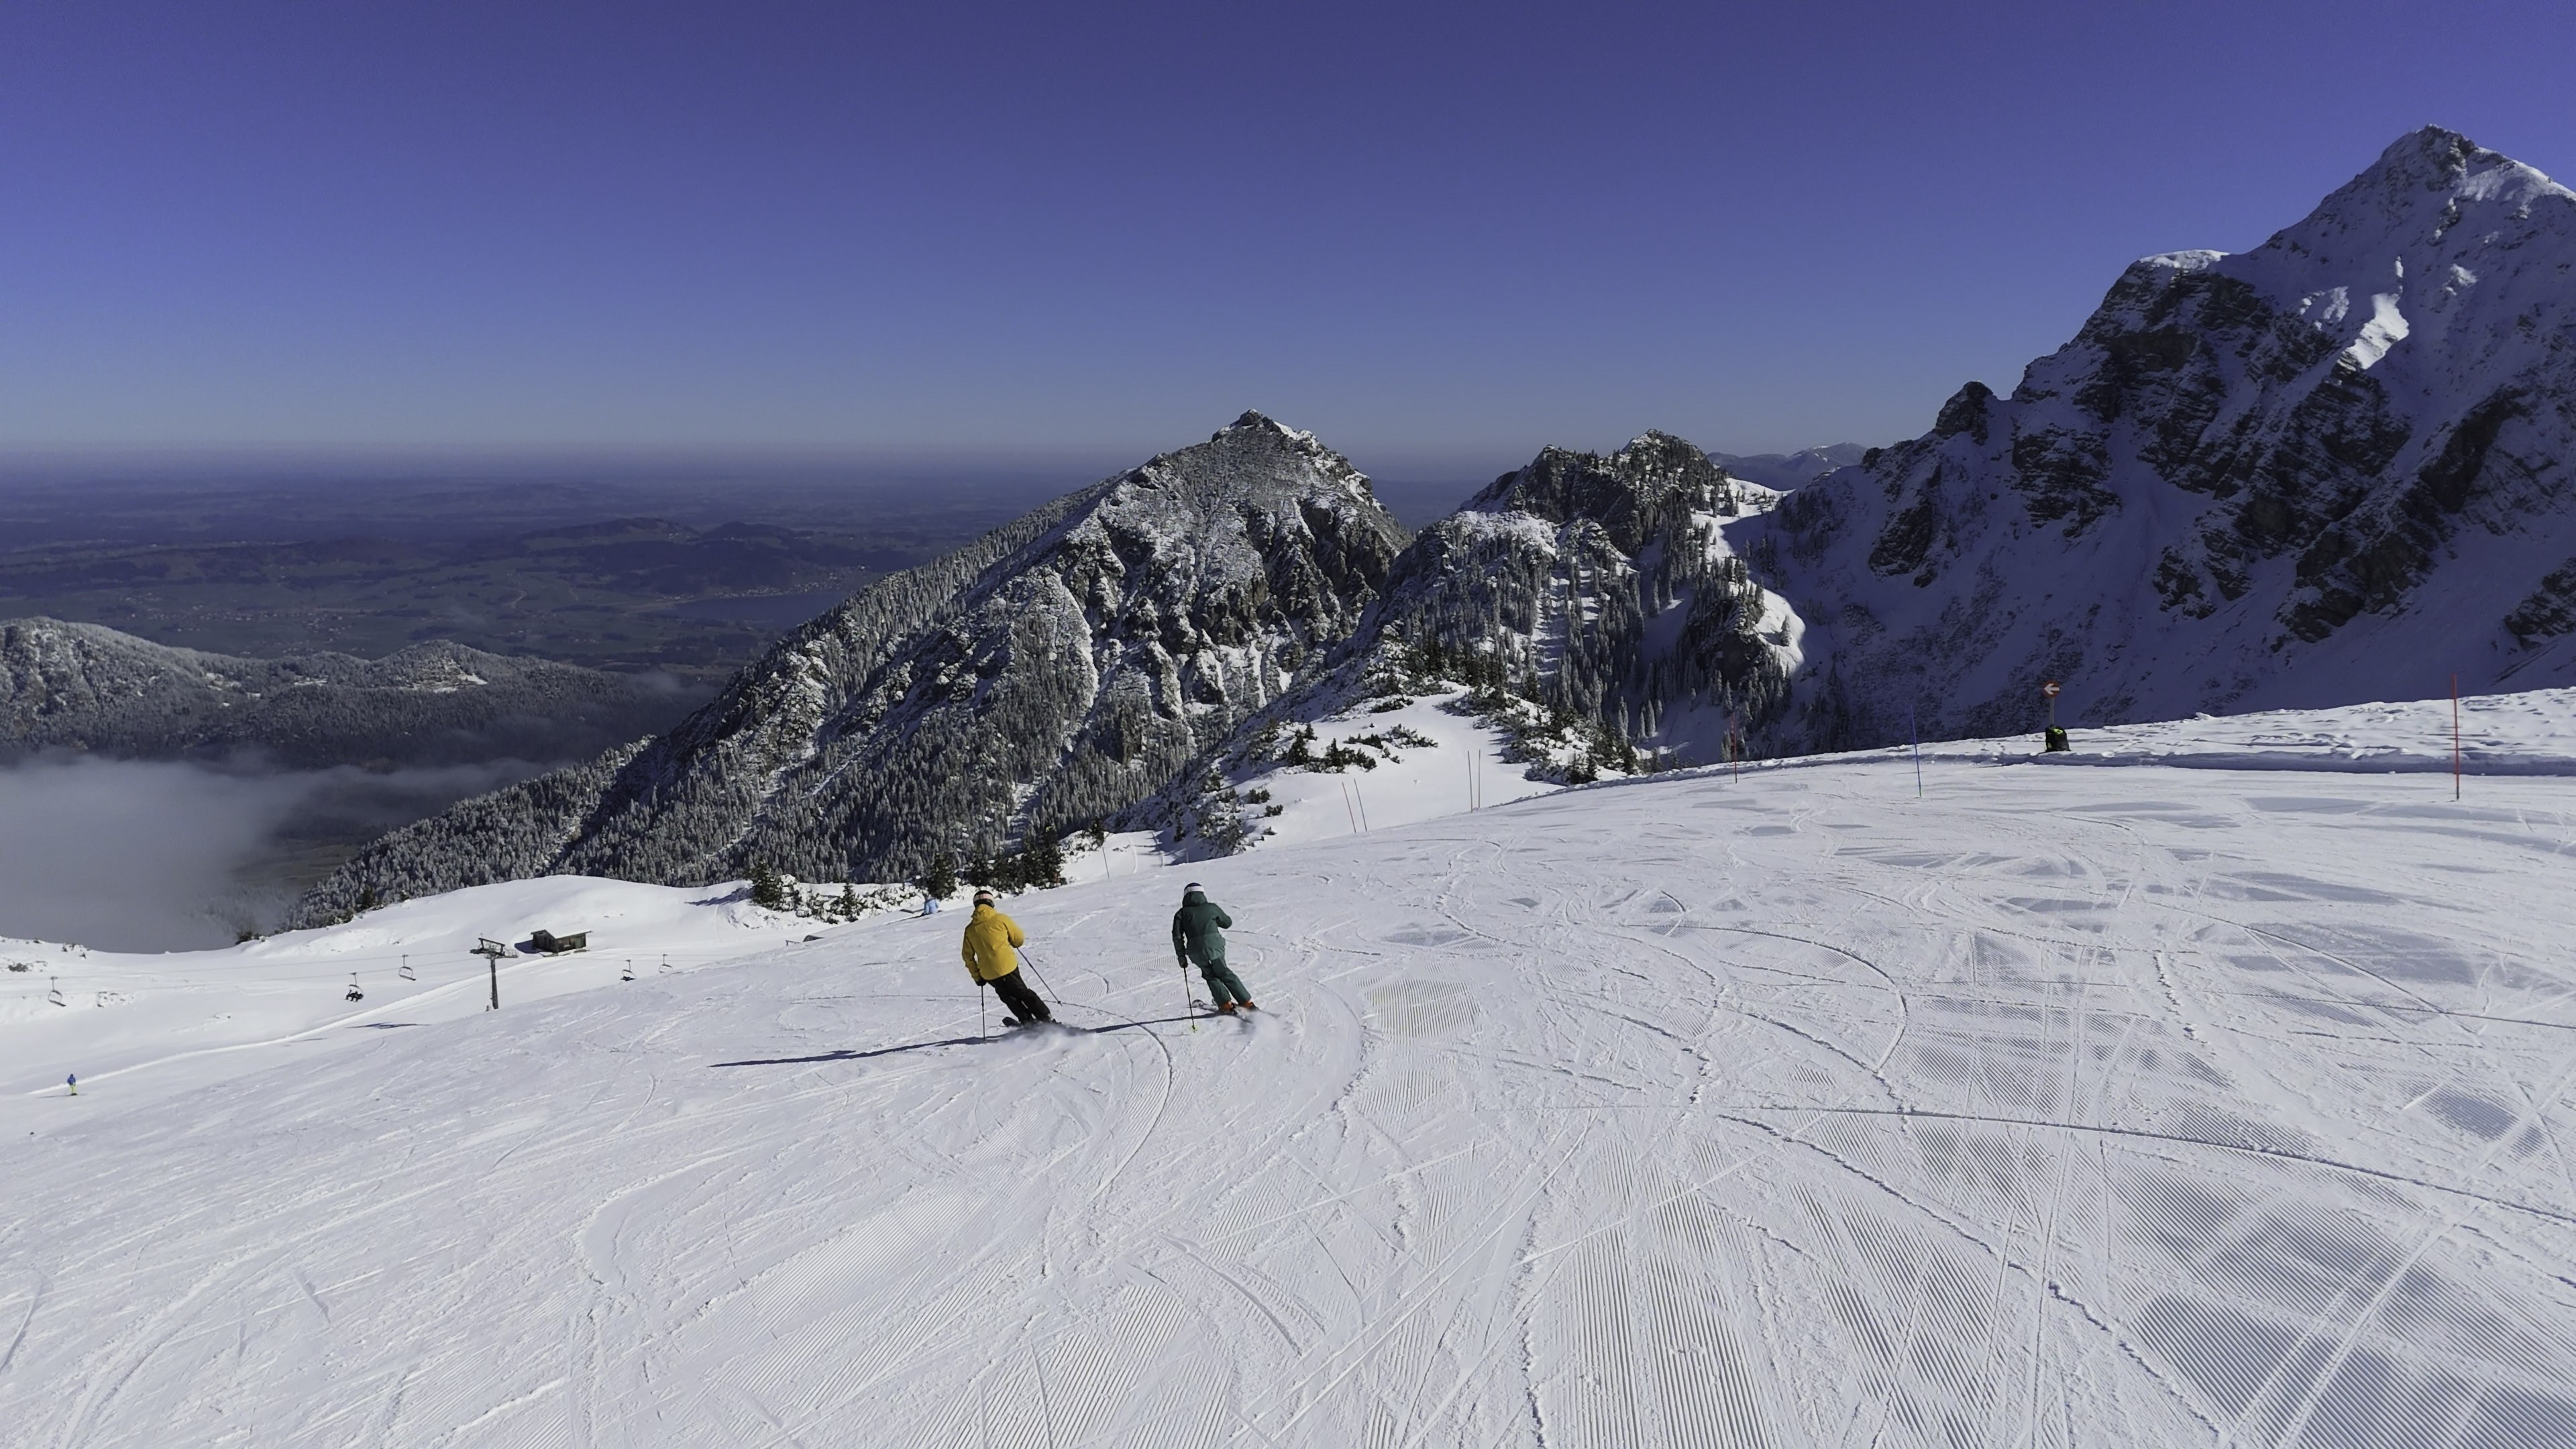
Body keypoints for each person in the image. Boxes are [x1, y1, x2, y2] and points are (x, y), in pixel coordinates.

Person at [961, 888, 1051, 1024]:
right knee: (1022, 991)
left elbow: (967, 956)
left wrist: (977, 977)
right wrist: (1011, 942)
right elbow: (1018, 939)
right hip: (1008, 966)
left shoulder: (970, 929)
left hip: (989, 973)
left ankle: (1027, 1021)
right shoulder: (1001, 919)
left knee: (1007, 997)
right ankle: (1044, 1017)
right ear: (991, 903)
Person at [1172, 881, 1256, 1014]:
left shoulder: (1181, 914)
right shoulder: (1211, 908)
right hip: (1215, 947)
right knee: (1224, 972)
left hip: (1196, 951)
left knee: (1210, 975)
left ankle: (1225, 1004)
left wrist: (1181, 958)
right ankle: (1246, 1002)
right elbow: (1227, 923)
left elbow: (1177, 937)